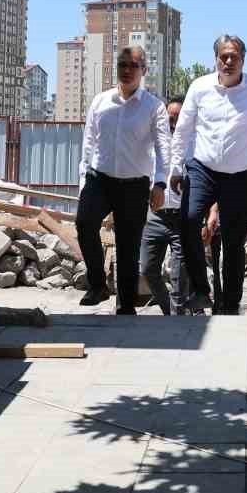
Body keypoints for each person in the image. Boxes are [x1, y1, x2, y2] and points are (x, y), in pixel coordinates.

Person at [170, 34, 247, 314]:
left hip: (241, 175)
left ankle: (230, 303)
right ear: (215, 59)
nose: (229, 62)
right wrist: (176, 168)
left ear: (243, 59)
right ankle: (201, 291)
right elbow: (183, 130)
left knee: (233, 241)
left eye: (234, 57)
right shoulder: (199, 87)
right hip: (203, 168)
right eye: (223, 56)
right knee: (189, 219)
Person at [76, 45, 171, 314]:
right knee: (84, 223)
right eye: (122, 65)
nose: (127, 70)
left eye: (133, 65)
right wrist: (84, 180)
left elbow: (164, 147)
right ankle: (97, 285)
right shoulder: (101, 101)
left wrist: (160, 184)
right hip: (99, 179)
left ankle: (126, 308)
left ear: (144, 70)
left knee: (128, 248)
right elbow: (89, 143)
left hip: (134, 185)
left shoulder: (154, 107)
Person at [140, 97, 188, 315]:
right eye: (170, 118)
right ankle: (170, 312)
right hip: (155, 216)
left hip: (180, 217)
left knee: (179, 275)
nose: (174, 123)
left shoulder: (192, 144)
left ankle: (178, 319)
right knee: (148, 269)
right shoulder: (152, 144)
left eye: (178, 118)